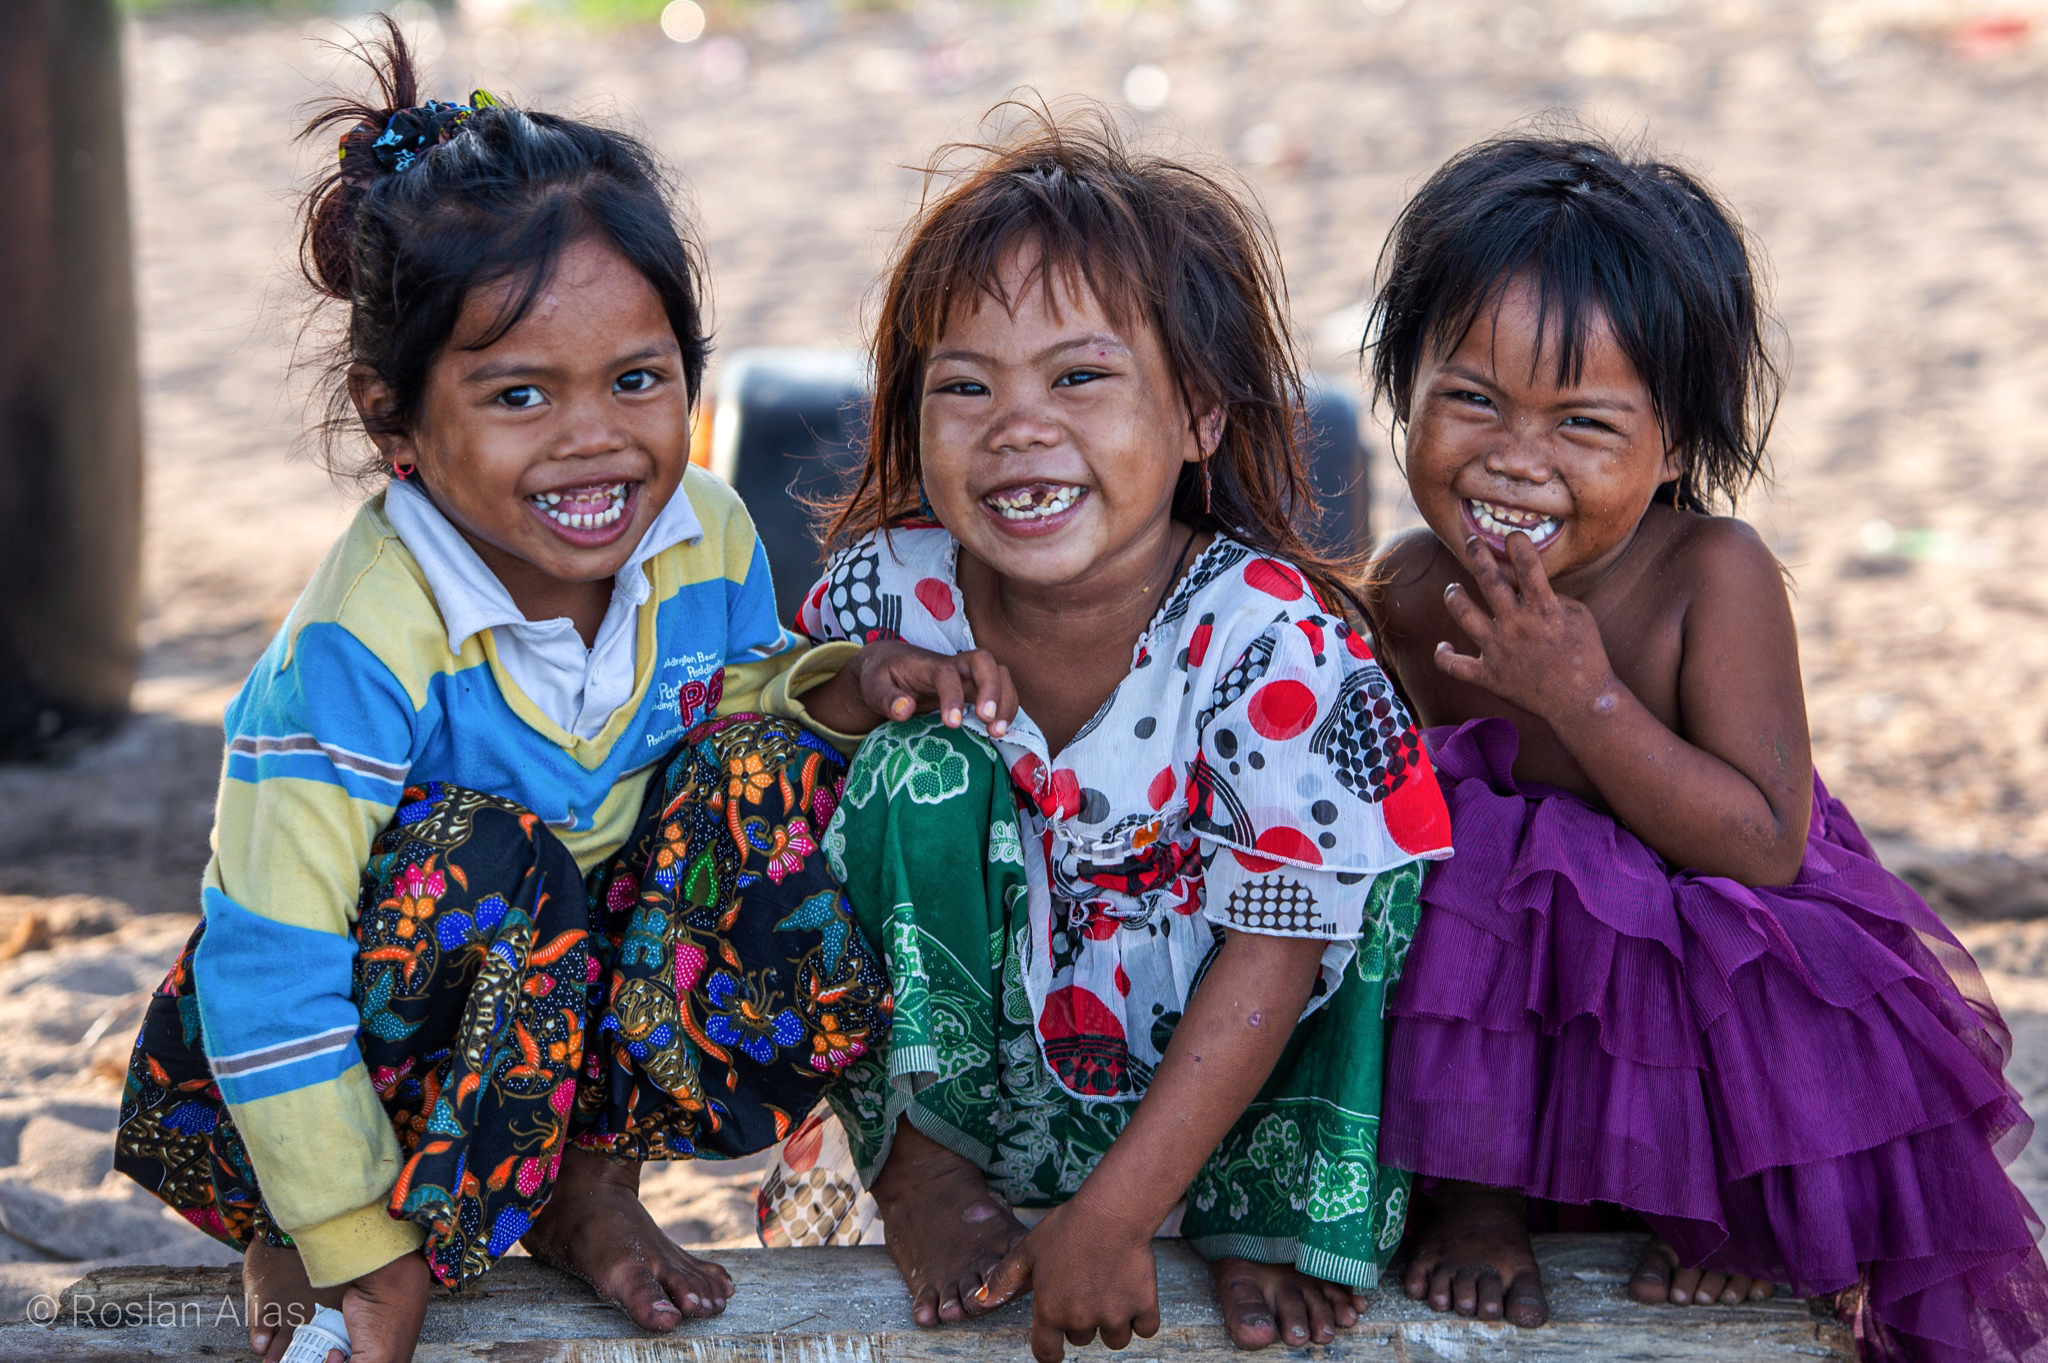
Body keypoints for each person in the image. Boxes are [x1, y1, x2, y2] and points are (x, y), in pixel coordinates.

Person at [110, 22, 1006, 1363]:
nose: (594, 436)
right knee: (492, 851)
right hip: (357, 1049)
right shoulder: (359, 643)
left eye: (637, 380)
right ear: (392, 417)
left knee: (759, 776)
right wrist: (346, 1230)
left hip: (563, 1026)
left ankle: (589, 1185)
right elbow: (267, 962)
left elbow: (724, 709)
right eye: (520, 392)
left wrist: (836, 686)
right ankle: (297, 1232)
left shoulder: (703, 533)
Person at [760, 108, 1454, 1362]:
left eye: (1077, 377)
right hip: (992, 1096)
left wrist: (1115, 1216)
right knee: (900, 765)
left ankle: (1247, 1208)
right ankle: (922, 1165)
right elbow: (759, 764)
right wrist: (862, 686)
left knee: (1353, 874)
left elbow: (1278, 950)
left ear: (1197, 416)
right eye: (963, 385)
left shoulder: (1268, 642)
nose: (1016, 424)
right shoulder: (891, 590)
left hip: (1225, 1084)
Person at [1363, 132, 2048, 1363]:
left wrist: (1584, 699)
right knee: (1436, 889)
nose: (1516, 459)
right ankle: (1472, 1192)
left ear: (1674, 443)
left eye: (1582, 422)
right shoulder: (1410, 588)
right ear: (1400, 389)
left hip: (1707, 951)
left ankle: (1716, 1204)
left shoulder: (1709, 577)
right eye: (1469, 400)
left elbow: (1764, 846)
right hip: (1512, 993)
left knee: (1772, 969)